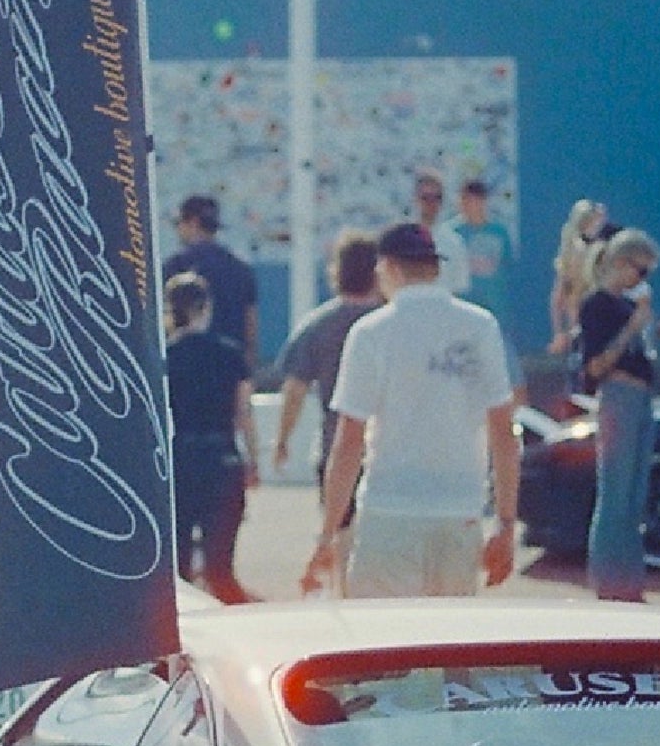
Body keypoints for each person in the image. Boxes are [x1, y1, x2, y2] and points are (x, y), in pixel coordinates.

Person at [305, 220, 518, 599]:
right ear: (435, 269)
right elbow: (503, 431)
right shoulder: (480, 326)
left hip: (390, 509)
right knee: (449, 646)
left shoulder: (372, 333)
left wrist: (327, 534)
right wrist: (505, 524)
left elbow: (349, 440)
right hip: (461, 509)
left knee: (383, 645)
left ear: (388, 268)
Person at [271, 231, 380, 593]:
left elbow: (295, 389)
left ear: (337, 272)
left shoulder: (318, 325)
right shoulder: (387, 324)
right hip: (385, 453)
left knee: (341, 538)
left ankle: (347, 600)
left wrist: (282, 440)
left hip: (335, 449)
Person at [576, 228, 660, 602]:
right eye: (639, 271)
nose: (641, 281)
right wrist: (632, 327)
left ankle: (629, 582)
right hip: (618, 396)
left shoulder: (627, 306)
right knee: (615, 493)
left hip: (641, 397)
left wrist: (647, 330)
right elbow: (596, 366)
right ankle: (607, 583)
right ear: (618, 262)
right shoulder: (596, 303)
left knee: (634, 494)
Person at [163, 272, 257, 604]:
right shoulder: (230, 354)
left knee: (179, 569)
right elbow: (243, 413)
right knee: (220, 569)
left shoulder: (163, 357)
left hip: (179, 461)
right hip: (221, 458)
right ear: (207, 308)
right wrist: (252, 462)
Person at [163, 194, 259, 372]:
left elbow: (162, 322)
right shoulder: (240, 269)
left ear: (192, 222)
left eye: (179, 223)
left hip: (183, 368)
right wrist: (247, 374)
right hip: (228, 369)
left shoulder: (175, 266)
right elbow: (250, 327)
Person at [442, 178, 514, 334]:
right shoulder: (450, 232)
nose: (467, 205)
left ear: (483, 201)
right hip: (461, 304)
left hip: (494, 304)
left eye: (472, 200)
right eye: (464, 200)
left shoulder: (499, 232)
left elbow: (507, 265)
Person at [548, 199, 612, 355]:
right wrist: (559, 333)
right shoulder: (577, 251)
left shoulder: (602, 250)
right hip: (585, 326)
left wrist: (559, 332)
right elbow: (558, 298)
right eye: (595, 221)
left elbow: (557, 300)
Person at [410, 168, 470, 297]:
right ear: (416, 199)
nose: (431, 203)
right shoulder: (403, 239)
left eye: (437, 197)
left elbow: (460, 286)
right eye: (425, 197)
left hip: (444, 311)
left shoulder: (454, 242)